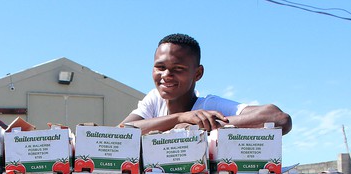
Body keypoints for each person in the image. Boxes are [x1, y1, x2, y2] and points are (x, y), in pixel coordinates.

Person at [121, 34, 292, 135]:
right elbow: (121, 133)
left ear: (198, 74)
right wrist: (179, 118)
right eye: (160, 67)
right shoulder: (155, 99)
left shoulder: (210, 106)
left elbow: (280, 118)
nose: (166, 75)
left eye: (178, 69)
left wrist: (205, 125)